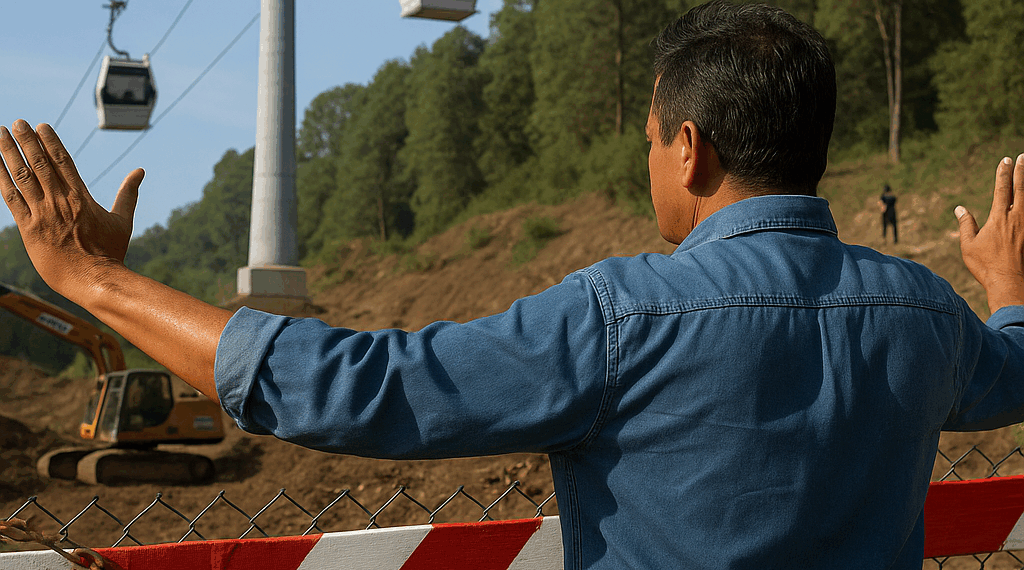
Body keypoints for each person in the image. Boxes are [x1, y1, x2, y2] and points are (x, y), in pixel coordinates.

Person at [2, 2, 1024, 568]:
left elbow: (355, 388)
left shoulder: (621, 319)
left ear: (687, 147)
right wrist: (1004, 291)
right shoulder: (921, 312)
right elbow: (1011, 375)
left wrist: (93, 278)